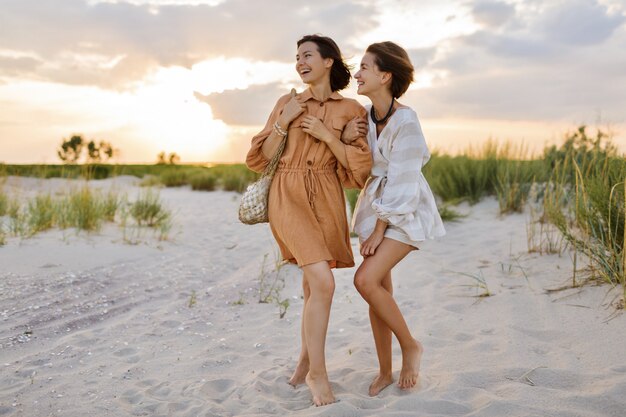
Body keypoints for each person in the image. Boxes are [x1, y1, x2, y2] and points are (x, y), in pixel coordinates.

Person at [246, 34, 372, 406]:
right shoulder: (287, 102)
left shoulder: (351, 109)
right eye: (296, 57)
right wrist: (284, 122)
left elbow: (358, 172)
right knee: (323, 282)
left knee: (311, 287)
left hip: (327, 196)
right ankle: (318, 373)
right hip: (288, 193)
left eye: (307, 55)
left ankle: (304, 361)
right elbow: (259, 158)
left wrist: (338, 139)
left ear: (329, 61)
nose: (300, 62)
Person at [346, 41, 446, 396]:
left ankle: (410, 345)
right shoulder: (363, 117)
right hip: (375, 208)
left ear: (385, 75)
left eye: (364, 67)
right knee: (379, 291)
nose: (357, 74)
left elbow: (403, 179)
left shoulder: (406, 119)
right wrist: (347, 138)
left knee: (365, 280)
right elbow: (358, 170)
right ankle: (385, 370)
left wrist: (380, 228)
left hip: (403, 211)